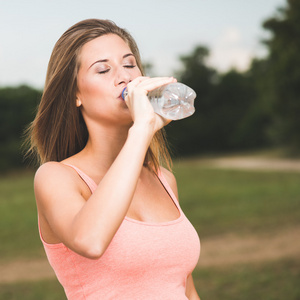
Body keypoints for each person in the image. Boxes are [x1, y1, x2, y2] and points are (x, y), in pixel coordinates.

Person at [27, 18, 201, 300]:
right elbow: (91, 241)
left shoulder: (163, 179)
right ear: (75, 94)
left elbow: (186, 289)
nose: (125, 77)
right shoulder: (56, 177)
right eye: (104, 69)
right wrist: (142, 128)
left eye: (130, 64)